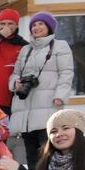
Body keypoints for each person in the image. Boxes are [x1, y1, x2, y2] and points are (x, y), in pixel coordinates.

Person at [10, 12, 74, 160]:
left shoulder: (60, 46)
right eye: (33, 25)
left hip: (48, 106)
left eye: (40, 24)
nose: (36, 27)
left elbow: (66, 73)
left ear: (49, 27)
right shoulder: (26, 49)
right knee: (32, 158)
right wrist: (16, 83)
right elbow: (15, 74)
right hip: (25, 111)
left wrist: (60, 95)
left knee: (48, 155)